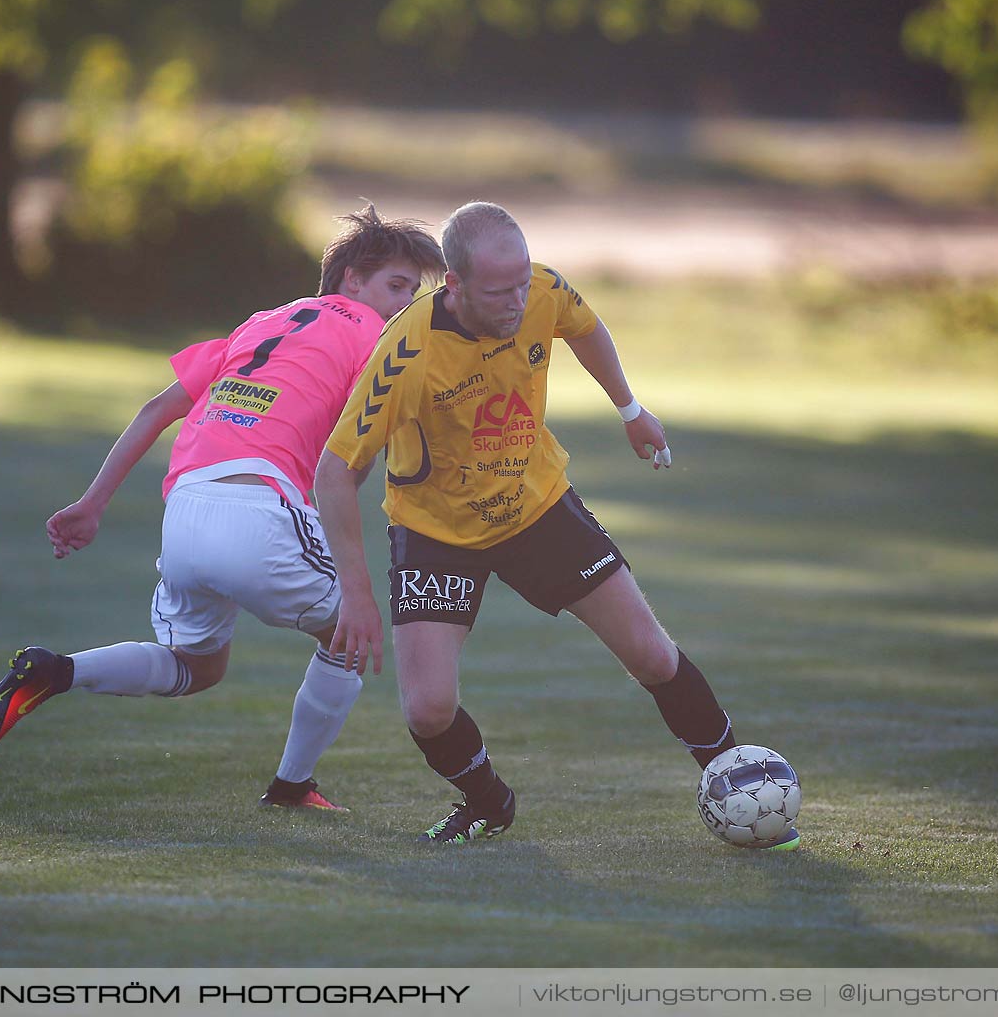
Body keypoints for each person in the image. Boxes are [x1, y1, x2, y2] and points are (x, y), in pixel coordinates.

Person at [313, 201, 795, 847]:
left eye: (521, 284)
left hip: (536, 506)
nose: (517, 301)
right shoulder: (406, 351)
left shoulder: (541, 287)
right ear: (453, 285)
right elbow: (334, 470)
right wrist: (357, 592)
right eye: (497, 291)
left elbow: (587, 327)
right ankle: (488, 802)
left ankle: (737, 781)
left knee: (651, 653)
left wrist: (630, 408)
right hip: (436, 531)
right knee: (428, 710)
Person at [0, 205, 447, 811]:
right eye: (397, 286)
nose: (403, 304)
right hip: (257, 508)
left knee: (196, 667)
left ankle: (58, 670)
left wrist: (92, 504)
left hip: (186, 512)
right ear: (352, 280)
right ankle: (291, 786)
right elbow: (370, 446)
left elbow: (155, 409)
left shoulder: (258, 325)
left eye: (414, 293)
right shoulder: (371, 336)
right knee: (350, 636)